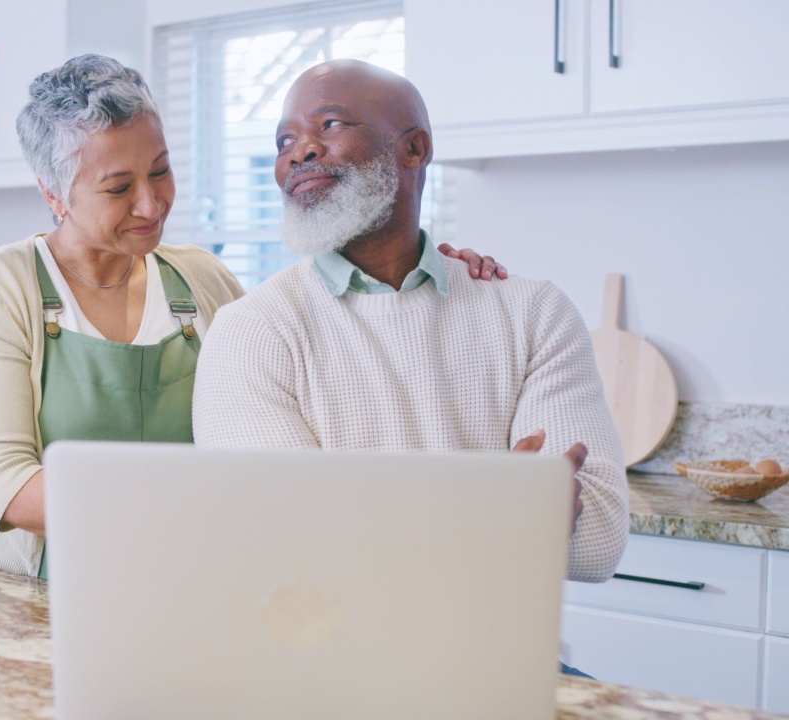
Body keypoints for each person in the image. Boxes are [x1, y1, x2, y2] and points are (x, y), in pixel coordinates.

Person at [0, 54, 509, 578]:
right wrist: (206, 504)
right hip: (49, 592)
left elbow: (305, 345)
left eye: (160, 171)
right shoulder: (1, 286)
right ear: (53, 194)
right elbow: (5, 486)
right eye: (118, 188)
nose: (151, 203)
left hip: (196, 583)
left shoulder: (201, 280)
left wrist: (427, 272)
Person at [193, 59, 628, 585]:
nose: (299, 152)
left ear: (415, 148)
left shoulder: (534, 312)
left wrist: (375, 519)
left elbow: (599, 543)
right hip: (324, 661)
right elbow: (287, 541)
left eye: (329, 125)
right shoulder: (252, 330)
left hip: (498, 656)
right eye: (284, 141)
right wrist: (502, 515)